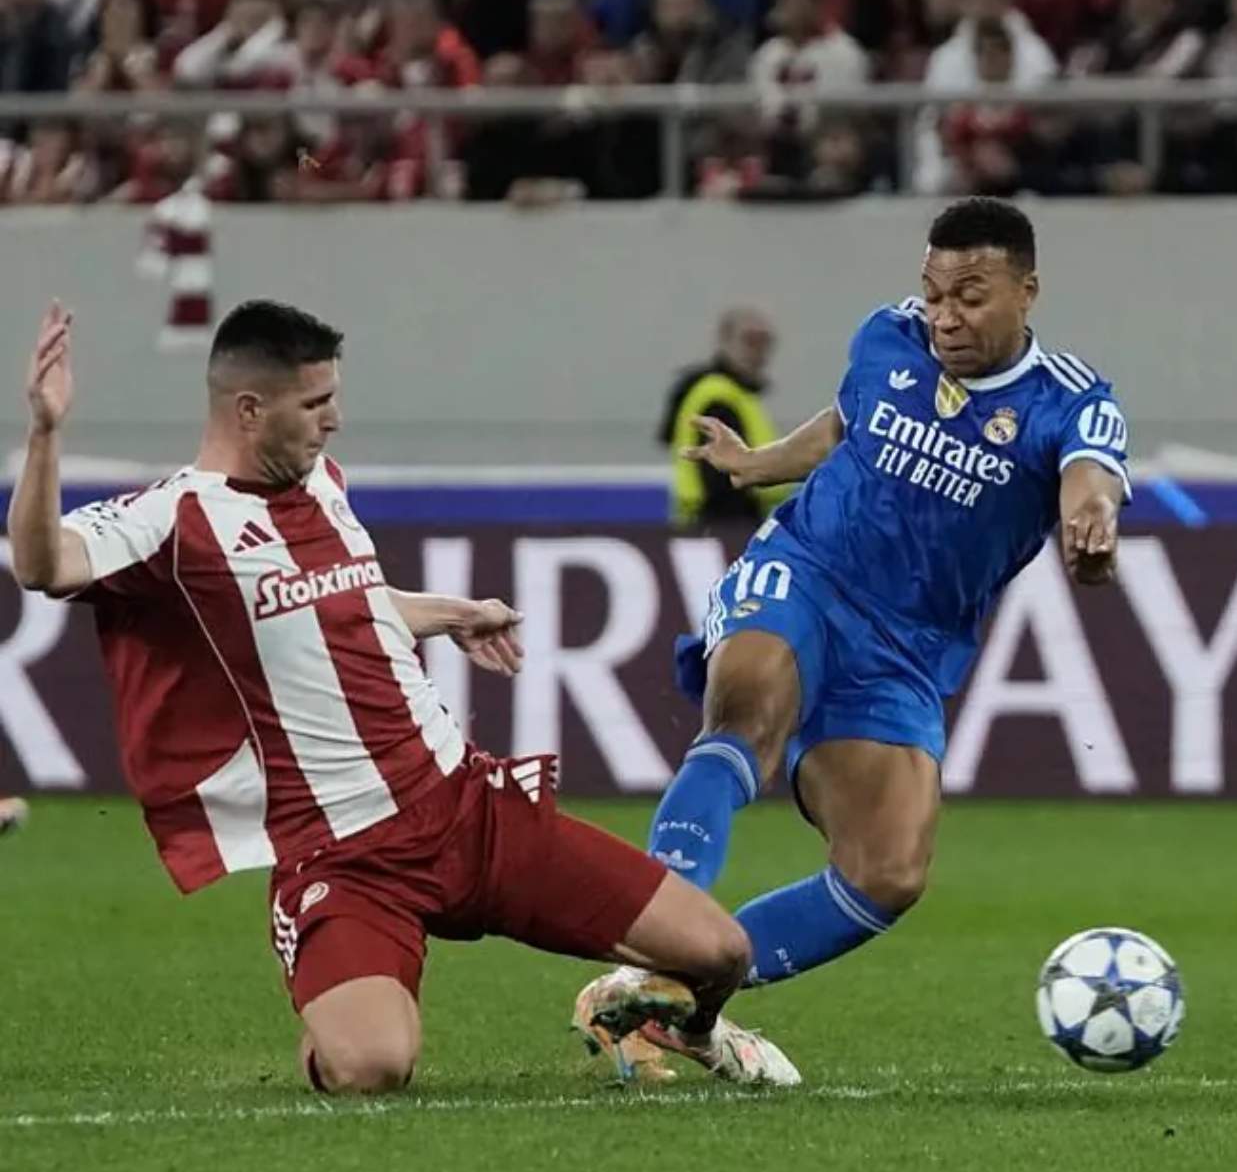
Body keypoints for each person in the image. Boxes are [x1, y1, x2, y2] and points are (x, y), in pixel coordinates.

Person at [7, 299, 800, 1092]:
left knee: (720, 951)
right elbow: (47, 565)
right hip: (345, 856)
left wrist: (445, 613)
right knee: (374, 1067)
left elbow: (341, 600)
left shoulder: (323, 483)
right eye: (315, 404)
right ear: (249, 410)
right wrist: (45, 436)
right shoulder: (173, 519)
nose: (335, 421)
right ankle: (332, 1000)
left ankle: (672, 1026)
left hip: (467, 807)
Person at [577, 198, 1129, 1048]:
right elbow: (846, 422)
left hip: (907, 646)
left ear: (1028, 292)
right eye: (935, 291)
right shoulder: (887, 336)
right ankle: (653, 944)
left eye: (971, 296)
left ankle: (680, 998)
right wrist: (756, 465)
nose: (945, 316)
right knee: (747, 712)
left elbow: (1089, 481)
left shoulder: (1071, 402)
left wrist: (1091, 529)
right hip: (805, 571)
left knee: (889, 872)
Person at [659, 306, 786, 529]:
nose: (758, 351)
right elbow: (723, 479)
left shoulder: (738, 395)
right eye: (750, 340)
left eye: (765, 342)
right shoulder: (717, 396)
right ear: (725, 340)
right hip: (720, 524)